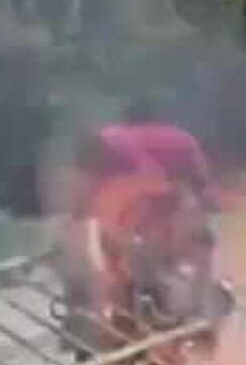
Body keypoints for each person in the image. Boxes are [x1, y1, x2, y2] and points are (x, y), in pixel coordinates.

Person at [62, 106, 217, 352]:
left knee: (191, 239)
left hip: (166, 180)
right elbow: (85, 196)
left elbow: (155, 183)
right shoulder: (109, 153)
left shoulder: (122, 148)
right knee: (118, 241)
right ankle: (134, 306)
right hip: (145, 183)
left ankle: (194, 309)